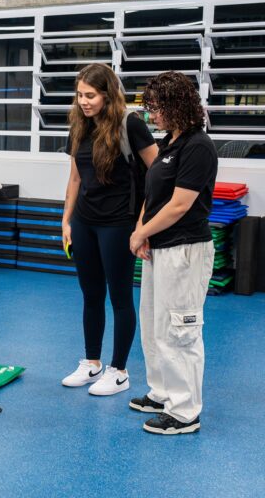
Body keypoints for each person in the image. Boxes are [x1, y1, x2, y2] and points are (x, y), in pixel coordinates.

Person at [60, 63, 158, 396]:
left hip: (118, 222)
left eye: (90, 95)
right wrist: (66, 220)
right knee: (91, 294)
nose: (83, 102)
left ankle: (119, 370)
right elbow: (75, 177)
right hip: (84, 222)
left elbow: (157, 174)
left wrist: (142, 224)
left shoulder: (131, 124)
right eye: (79, 95)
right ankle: (91, 363)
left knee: (119, 296)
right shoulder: (79, 126)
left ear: (107, 94)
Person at [128, 72, 217, 435]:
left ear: (178, 106)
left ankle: (184, 412)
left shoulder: (198, 146)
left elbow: (180, 205)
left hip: (185, 251)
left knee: (180, 331)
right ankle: (163, 392)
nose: (152, 116)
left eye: (157, 108)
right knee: (154, 325)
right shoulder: (169, 143)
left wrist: (140, 235)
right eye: (150, 109)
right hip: (158, 248)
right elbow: (154, 195)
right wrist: (141, 232)